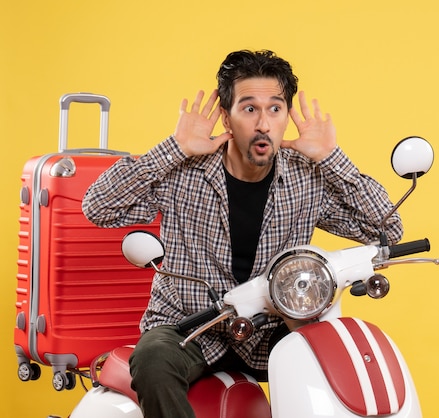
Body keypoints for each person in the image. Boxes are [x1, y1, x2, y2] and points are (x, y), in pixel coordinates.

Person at [82, 49, 403, 418]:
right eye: (249, 109)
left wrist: (330, 156)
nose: (264, 123)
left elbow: (387, 229)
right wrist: (174, 148)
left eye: (275, 109)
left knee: (339, 347)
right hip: (191, 327)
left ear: (286, 116)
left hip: (272, 329)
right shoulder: (184, 172)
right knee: (153, 358)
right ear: (227, 117)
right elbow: (98, 207)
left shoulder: (306, 177)